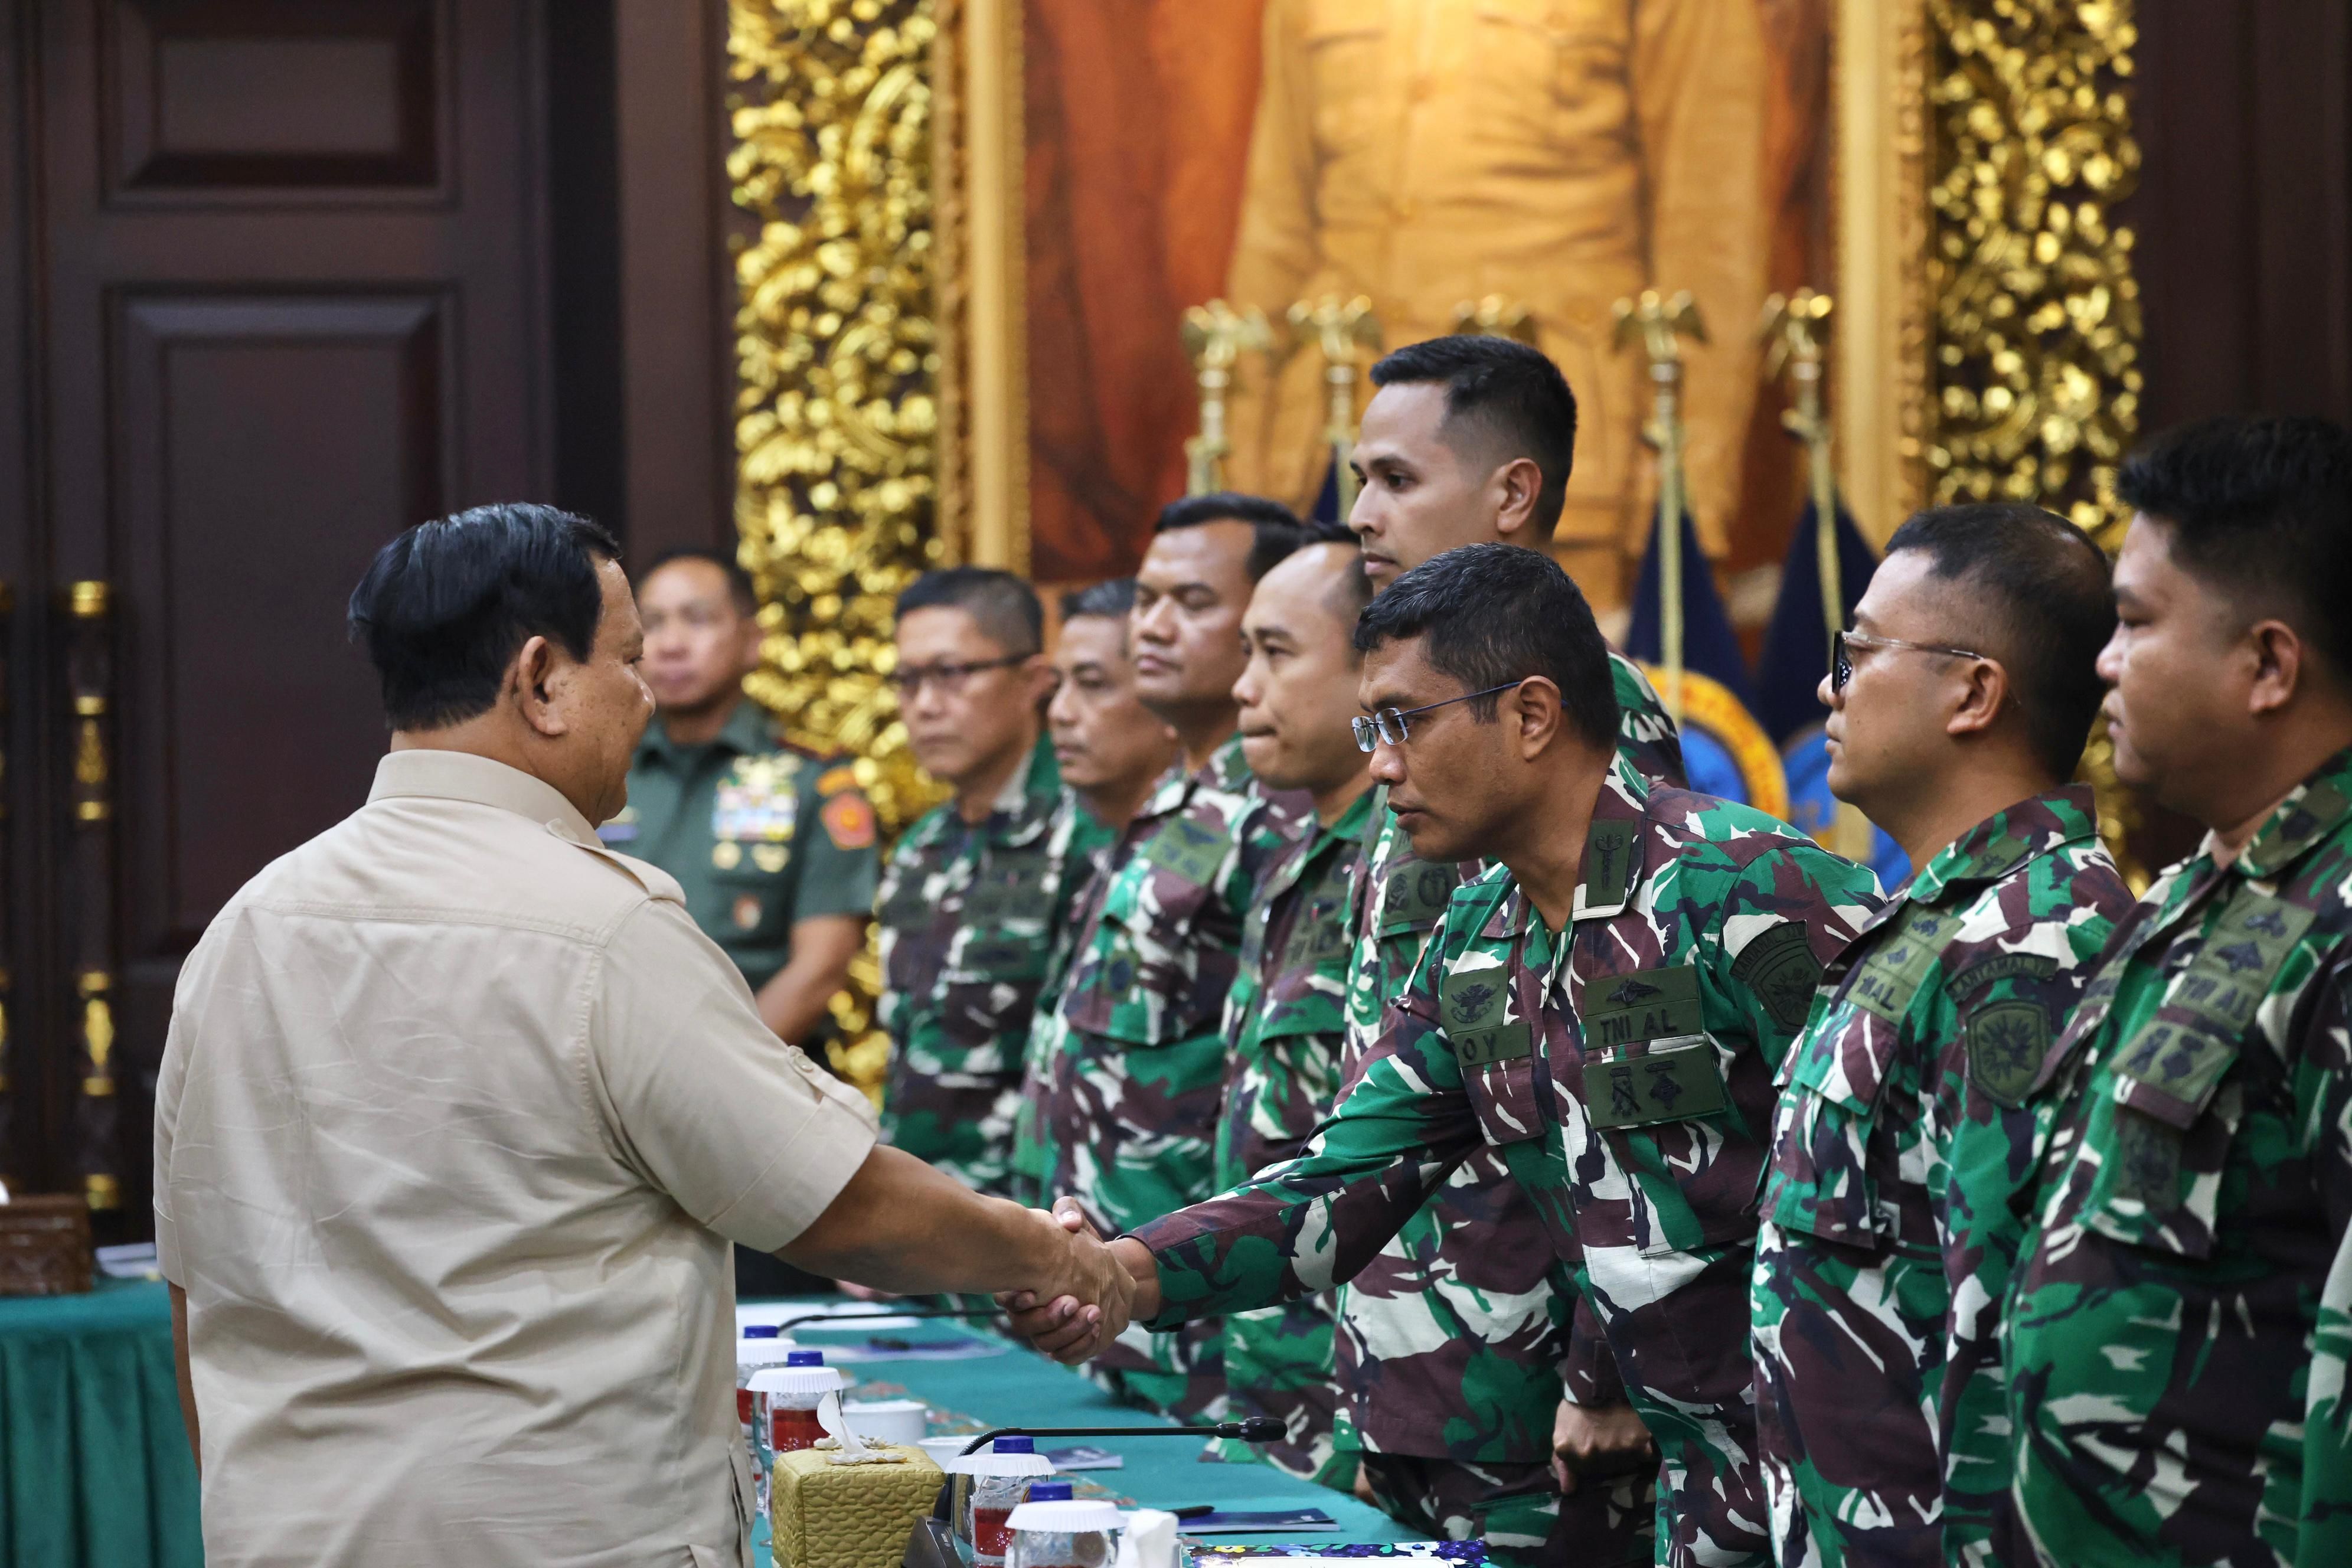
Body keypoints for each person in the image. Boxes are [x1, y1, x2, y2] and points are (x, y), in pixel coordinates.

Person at [154, 505, 1129, 1568]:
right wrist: (1050, 1255)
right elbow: (836, 1204)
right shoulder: (602, 927)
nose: (647, 692)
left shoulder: (245, 926)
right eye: (625, 659)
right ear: (540, 679)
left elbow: (197, 1293)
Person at [1015, 544, 1883, 1568]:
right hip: (1693, 1492)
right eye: (1369, 729)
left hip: (1853, 1471)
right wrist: (1121, 1272)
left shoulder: (1744, 888)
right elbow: (1343, 1183)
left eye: (1404, 724)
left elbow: (1917, 1171)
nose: (1380, 764)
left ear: (1527, 714)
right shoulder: (1478, 938)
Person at [1339, 334, 1680, 1561]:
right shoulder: (1421, 716)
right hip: (1415, 1350)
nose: (1360, 512)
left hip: (1531, 1384)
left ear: (1512, 494)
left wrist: (1608, 1363)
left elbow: (1633, 1079)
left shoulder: (1583, 717)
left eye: (1393, 478)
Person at [1747, 504, 2131, 1567]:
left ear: (1970, 691)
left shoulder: (2030, 948)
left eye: (1858, 652)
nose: (1826, 686)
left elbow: (2010, 1343)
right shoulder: (1940, 918)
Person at [2003, 415, 2352, 1567]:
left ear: (2267, 663)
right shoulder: (2202, 894)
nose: (2104, 659)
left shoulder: (2339, 922)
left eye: (2137, 622)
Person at [1220, 0, 1768, 601]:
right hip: (1337, 455)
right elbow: (1277, 236)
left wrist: (1686, 500)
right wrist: (1248, 491)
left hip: (1548, 473)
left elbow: (1711, 235)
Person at [1033, 492, 1316, 1417]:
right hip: (1118, 1303)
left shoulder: (1287, 814)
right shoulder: (1171, 806)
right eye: (1147, 599)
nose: (1150, 626)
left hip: (1217, 1321)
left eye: (1191, 603)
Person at [1209, 527, 1376, 1489]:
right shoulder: (1291, 859)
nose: (1243, 687)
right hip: (1266, 1376)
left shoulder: (1417, 861)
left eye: (1273, 654)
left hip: (1376, 1395)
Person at [877, 568, 1096, 1197]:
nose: (924, 704)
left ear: (1033, 681)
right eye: (907, 679)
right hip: (922, 1217)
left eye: (950, 674)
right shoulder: (923, 847)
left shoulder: (1083, 831)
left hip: (1037, 1222)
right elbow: (908, 1055)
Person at [607, 548, 874, 1050]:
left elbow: (821, 968)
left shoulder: (813, 781)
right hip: (606, 1070)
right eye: (654, 624)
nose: (672, 645)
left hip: (763, 1077)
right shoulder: (602, 770)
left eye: (699, 620)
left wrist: (717, 1075)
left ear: (753, 641)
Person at [1009, 578, 1182, 1204]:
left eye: (1094, 684)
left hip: (1172, 1253)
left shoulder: (1221, 851)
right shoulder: (1105, 849)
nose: (1059, 712)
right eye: (1059, 687)